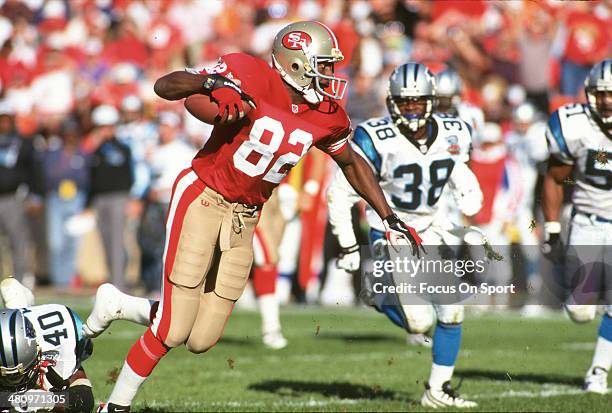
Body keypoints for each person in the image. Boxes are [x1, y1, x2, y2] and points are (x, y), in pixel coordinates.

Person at [96, 20, 423, 412]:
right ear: (296, 62)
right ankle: (113, 406)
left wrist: (388, 216)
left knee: (201, 339)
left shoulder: (326, 113)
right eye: (323, 64)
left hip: (245, 215)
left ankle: (117, 305)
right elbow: (167, 87)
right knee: (171, 329)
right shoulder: (249, 72)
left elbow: (351, 163)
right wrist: (210, 86)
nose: (330, 74)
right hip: (204, 195)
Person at [327, 63, 482, 408]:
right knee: (419, 321)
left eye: (417, 102)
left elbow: (457, 165)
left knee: (452, 311)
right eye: (404, 102)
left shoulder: (456, 130)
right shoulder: (375, 137)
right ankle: (378, 293)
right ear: (392, 102)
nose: (410, 108)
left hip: (430, 229)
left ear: (431, 101)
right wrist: (349, 243)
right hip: (390, 232)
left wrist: (467, 186)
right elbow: (340, 191)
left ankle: (437, 391)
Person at [542, 58, 612, 394]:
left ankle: (597, 372)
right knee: (580, 312)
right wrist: (553, 229)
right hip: (587, 221)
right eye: (601, 94)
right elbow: (556, 178)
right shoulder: (574, 125)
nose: (608, 101)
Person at [0, 278, 94, 412]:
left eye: (17, 375)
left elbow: (84, 399)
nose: (15, 383)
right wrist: (10, 399)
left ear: (37, 350)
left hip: (42, 330)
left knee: (58, 382)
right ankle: (17, 300)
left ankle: (19, 301)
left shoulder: (60, 342)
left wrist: (45, 401)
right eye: (8, 377)